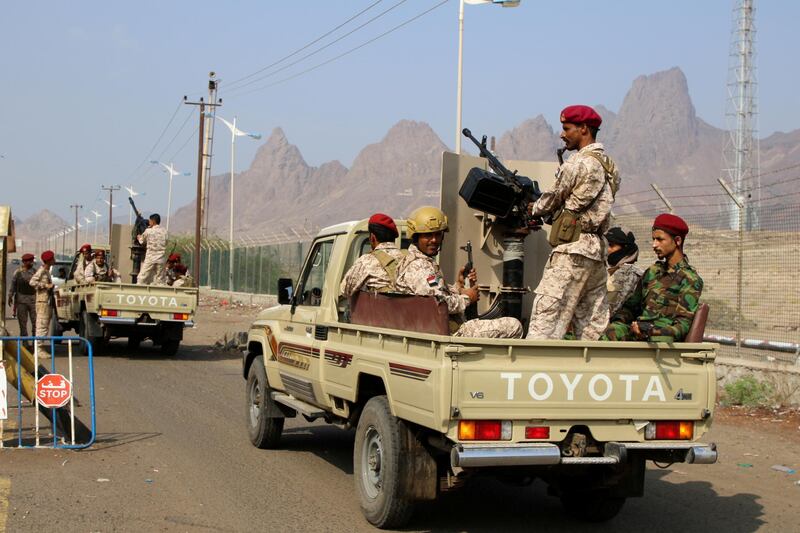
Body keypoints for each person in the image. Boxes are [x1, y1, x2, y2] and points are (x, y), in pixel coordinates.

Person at [526, 105, 620, 341]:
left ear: (584, 129)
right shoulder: (610, 167)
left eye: (567, 128)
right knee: (591, 323)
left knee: (548, 316)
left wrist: (534, 208)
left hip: (572, 249)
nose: (562, 134)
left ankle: (534, 369)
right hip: (596, 251)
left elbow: (552, 198)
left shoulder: (578, 164)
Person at [395, 206, 522, 339]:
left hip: (434, 328)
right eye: (427, 235)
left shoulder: (415, 262)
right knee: (514, 325)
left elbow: (432, 292)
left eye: (438, 234)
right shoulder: (420, 267)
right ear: (416, 237)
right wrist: (467, 298)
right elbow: (439, 304)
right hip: (447, 332)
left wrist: (458, 287)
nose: (434, 240)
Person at [604, 214, 703, 342]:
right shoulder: (652, 272)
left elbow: (682, 325)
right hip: (639, 330)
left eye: (660, 239)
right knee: (611, 331)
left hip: (661, 338)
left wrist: (651, 332)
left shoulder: (689, 279)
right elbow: (630, 308)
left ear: (677, 241)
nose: (654, 245)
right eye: (653, 239)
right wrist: (618, 323)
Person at [339, 213, 406, 298]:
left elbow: (345, 290)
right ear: (393, 238)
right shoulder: (408, 259)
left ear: (372, 237)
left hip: (378, 310)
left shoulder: (366, 261)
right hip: (407, 310)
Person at [605, 227, 644, 317]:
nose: (607, 249)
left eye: (611, 245)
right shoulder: (612, 270)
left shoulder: (627, 273)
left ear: (625, 248)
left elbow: (609, 310)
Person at [29, 250, 56, 355]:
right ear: (49, 260)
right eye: (53, 258)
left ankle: (39, 348)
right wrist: (45, 286)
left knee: (44, 325)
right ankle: (38, 349)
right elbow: (32, 282)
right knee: (42, 325)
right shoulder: (42, 271)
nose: (54, 260)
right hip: (42, 301)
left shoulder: (46, 271)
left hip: (46, 301)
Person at [8, 253, 37, 337]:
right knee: (22, 324)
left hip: (33, 300)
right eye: (27, 261)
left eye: (31, 261)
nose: (30, 263)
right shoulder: (18, 273)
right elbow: (13, 285)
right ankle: (25, 344)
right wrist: (10, 296)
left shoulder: (35, 272)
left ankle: (35, 342)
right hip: (21, 301)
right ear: (23, 262)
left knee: (35, 323)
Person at [136, 213, 168, 285]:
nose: (149, 222)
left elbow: (141, 241)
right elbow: (166, 243)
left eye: (150, 221)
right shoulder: (165, 231)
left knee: (141, 278)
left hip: (150, 258)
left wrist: (139, 237)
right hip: (161, 259)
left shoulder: (148, 231)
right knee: (160, 280)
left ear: (153, 222)